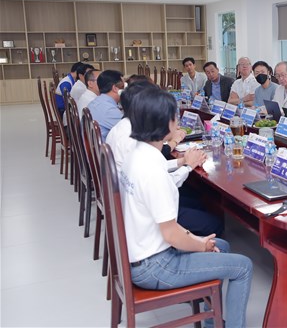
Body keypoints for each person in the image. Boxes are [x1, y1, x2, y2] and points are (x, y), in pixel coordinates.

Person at [120, 86, 252, 327]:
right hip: (156, 264)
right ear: (164, 123)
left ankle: (213, 323)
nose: (177, 120)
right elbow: (171, 234)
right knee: (243, 266)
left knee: (221, 246)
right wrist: (200, 245)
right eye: (174, 116)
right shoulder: (152, 172)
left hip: (141, 253)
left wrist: (200, 242)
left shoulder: (138, 155)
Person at [106, 80, 223, 236]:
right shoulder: (130, 139)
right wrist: (187, 166)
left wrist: (182, 162)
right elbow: (160, 183)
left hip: (133, 205)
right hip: (148, 221)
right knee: (213, 221)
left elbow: (155, 168)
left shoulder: (133, 137)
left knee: (197, 199)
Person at [86, 70, 124, 141]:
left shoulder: (96, 102)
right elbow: (131, 130)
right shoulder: (108, 110)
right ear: (115, 88)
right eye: (122, 87)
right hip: (105, 147)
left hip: (94, 145)